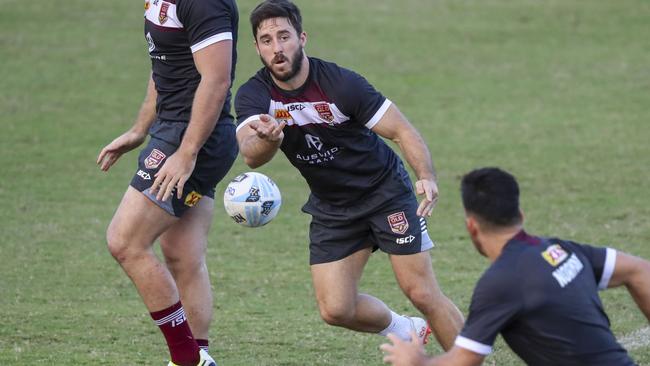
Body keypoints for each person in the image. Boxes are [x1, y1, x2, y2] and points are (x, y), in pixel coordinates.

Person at [234, 0, 464, 351]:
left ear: (302, 38)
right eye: (267, 40)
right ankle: (404, 330)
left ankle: (470, 360)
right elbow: (251, 155)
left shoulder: (341, 84)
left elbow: (402, 130)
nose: (277, 48)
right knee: (336, 309)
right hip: (333, 206)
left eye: (284, 36)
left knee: (421, 291)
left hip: (384, 193)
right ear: (257, 47)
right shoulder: (255, 95)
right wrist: (271, 140)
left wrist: (426, 175)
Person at [381, 167, 650, 366]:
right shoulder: (560, 249)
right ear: (521, 215)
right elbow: (640, 270)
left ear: (471, 227)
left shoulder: (500, 283)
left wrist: (419, 361)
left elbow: (464, 361)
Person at [96, 0, 239, 365]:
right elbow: (166, 65)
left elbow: (216, 78)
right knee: (182, 255)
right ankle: (198, 354)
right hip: (175, 131)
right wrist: (139, 129)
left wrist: (187, 152)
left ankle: (188, 358)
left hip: (190, 138)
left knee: (125, 242)